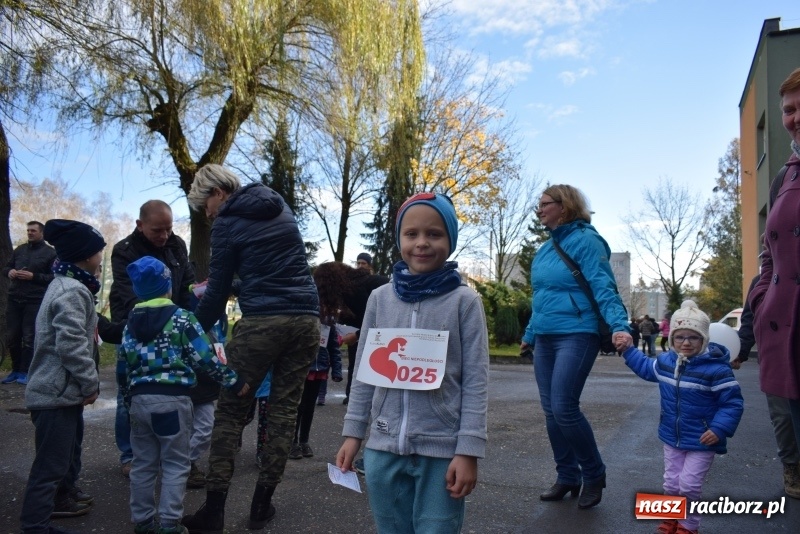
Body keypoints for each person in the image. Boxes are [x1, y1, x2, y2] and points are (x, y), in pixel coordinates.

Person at [336, 192, 490, 533]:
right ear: (399, 239)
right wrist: (353, 433)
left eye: (434, 234)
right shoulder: (379, 299)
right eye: (411, 234)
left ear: (450, 240)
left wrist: (468, 450)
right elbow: (364, 375)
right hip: (382, 448)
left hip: (442, 453)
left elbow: (476, 381)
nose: (422, 243)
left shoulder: (465, 301)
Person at [182, 163, 319, 531]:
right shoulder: (280, 206)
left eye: (204, 206)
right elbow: (272, 273)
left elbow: (216, 294)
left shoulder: (227, 221)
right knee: (282, 412)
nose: (207, 214)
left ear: (218, 193)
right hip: (306, 319)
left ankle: (213, 512)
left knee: (230, 411)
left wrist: (187, 332)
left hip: (262, 324)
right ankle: (261, 506)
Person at [519, 185, 631, 509]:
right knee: (552, 412)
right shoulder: (545, 248)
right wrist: (530, 332)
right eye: (538, 205)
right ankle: (568, 476)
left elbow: (603, 286)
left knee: (564, 407)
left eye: (544, 204)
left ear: (564, 206)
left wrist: (619, 326)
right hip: (546, 337)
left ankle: (594, 474)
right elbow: (541, 298)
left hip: (577, 333)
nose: (539, 209)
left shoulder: (586, 240)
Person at [118, 256, 248, 534]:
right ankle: (168, 524)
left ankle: (142, 522)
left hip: (139, 400)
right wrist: (233, 381)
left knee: (142, 464)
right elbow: (205, 357)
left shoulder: (131, 324)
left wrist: (129, 399)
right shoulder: (180, 318)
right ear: (167, 286)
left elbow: (122, 365)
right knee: (176, 464)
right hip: (172, 401)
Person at [616, 300, 744, 534]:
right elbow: (646, 368)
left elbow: (732, 403)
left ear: (704, 339)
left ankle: (689, 525)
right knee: (672, 482)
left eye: (693, 337)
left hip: (702, 439)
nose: (685, 342)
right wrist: (629, 350)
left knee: (689, 484)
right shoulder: (666, 362)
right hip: (672, 435)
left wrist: (718, 429)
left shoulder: (717, 370)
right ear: (671, 338)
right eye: (679, 337)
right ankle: (672, 517)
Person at [19, 219, 105, 534]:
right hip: (55, 394)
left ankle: (62, 499)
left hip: (61, 394)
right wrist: (90, 382)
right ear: (85, 255)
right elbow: (71, 347)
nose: (100, 256)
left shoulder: (67, 284)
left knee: (67, 455)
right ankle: (35, 525)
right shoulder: (72, 291)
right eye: (98, 251)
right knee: (50, 466)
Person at [109, 200, 197, 478]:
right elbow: (128, 294)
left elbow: (185, 286)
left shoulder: (177, 245)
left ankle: (169, 452)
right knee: (130, 395)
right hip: (135, 328)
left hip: (172, 331)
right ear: (140, 225)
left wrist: (189, 319)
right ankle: (130, 454)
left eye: (168, 229)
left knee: (172, 393)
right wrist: (164, 320)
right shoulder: (124, 251)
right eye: (157, 230)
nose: (164, 236)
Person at [750, 67, 800, 471]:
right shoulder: (785, 175)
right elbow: (770, 251)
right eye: (789, 109)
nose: (795, 117)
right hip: (788, 328)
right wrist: (761, 299)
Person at [739, 278, 800, 496]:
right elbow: (749, 320)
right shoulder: (762, 281)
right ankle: (792, 467)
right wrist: (741, 351)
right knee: (783, 417)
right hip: (777, 359)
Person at [323, 257, 390, 406]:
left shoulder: (356, 288)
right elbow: (357, 315)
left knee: (371, 364)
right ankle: (352, 396)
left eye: (363, 263)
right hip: (363, 330)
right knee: (356, 363)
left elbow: (374, 317)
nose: (360, 265)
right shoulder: (356, 286)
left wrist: (357, 335)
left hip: (377, 332)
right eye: (358, 263)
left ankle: (359, 399)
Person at [2, 221, 57, 385]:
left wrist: (34, 277)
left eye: (33, 230)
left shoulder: (51, 253)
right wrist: (10, 272)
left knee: (29, 337)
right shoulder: (20, 250)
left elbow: (53, 277)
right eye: (28, 230)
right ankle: (15, 370)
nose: (30, 233)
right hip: (14, 298)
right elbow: (6, 267)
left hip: (34, 301)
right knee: (12, 337)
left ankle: (26, 372)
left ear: (42, 233)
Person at [289, 309, 343, 460]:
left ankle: (304, 441)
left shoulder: (328, 323)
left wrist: (337, 371)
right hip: (301, 370)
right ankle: (292, 442)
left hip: (319, 370)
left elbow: (334, 347)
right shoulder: (301, 317)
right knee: (298, 407)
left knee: (309, 407)